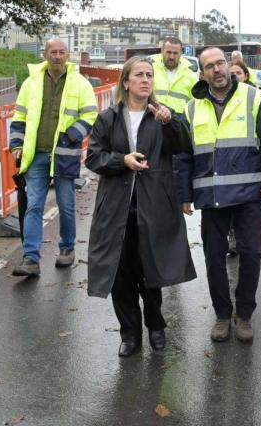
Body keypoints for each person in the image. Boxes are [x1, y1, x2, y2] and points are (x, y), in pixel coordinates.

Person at [86, 57, 197, 357]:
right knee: (121, 276)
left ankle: (156, 327)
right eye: (139, 75)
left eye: (149, 75)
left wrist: (170, 122)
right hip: (116, 209)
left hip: (154, 205)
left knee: (152, 272)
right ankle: (129, 334)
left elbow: (184, 145)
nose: (145, 80)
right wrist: (121, 160)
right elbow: (93, 158)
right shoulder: (108, 117)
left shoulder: (162, 114)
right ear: (126, 81)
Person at [177, 47, 261, 344]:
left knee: (251, 255)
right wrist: (184, 193)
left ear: (229, 65)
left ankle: (245, 314)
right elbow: (183, 155)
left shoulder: (254, 98)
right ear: (202, 73)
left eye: (221, 63)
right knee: (214, 258)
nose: (217, 70)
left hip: (250, 194)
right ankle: (223, 315)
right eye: (210, 66)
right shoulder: (191, 108)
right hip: (212, 198)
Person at [9, 38, 98, 277]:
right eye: (53, 52)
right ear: (45, 54)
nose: (58, 56)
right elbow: (20, 115)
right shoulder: (32, 83)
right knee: (34, 205)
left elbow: (90, 115)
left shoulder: (80, 83)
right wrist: (16, 144)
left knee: (66, 205)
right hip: (36, 154)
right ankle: (30, 258)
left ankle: (67, 249)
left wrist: (71, 135)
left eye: (62, 52)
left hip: (64, 154)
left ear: (68, 55)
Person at [150, 36, 198, 112]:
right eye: (168, 52)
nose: (171, 57)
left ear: (181, 53)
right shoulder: (150, 70)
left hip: (179, 122)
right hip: (152, 119)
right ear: (162, 51)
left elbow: (196, 105)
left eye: (175, 53)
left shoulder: (191, 76)